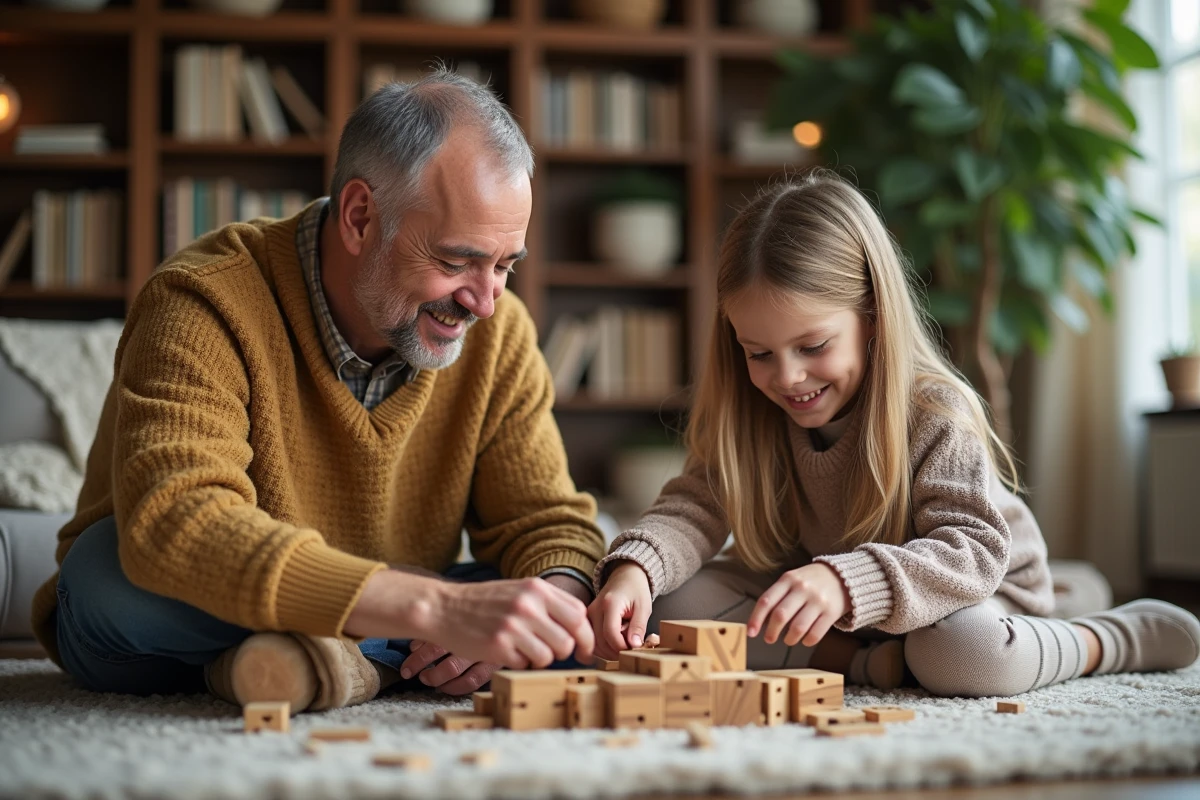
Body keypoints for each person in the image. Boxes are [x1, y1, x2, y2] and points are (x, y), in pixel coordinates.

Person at [30, 69, 604, 713]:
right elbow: (178, 523)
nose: (486, 303)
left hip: (396, 602)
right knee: (108, 574)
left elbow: (549, 523)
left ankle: (301, 663)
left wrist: (547, 597)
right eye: (454, 261)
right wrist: (429, 606)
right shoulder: (204, 299)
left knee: (570, 593)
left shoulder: (501, 337)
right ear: (361, 216)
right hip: (165, 622)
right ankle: (372, 659)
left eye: (504, 266)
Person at [587, 170, 1200, 696]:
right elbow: (693, 508)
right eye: (759, 352)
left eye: (812, 346)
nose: (788, 377)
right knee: (672, 608)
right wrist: (635, 571)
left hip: (969, 592)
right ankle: (869, 665)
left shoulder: (935, 411)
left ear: (873, 317)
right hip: (848, 617)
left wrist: (844, 578)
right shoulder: (751, 412)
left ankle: (1104, 636)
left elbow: (973, 551)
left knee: (961, 653)